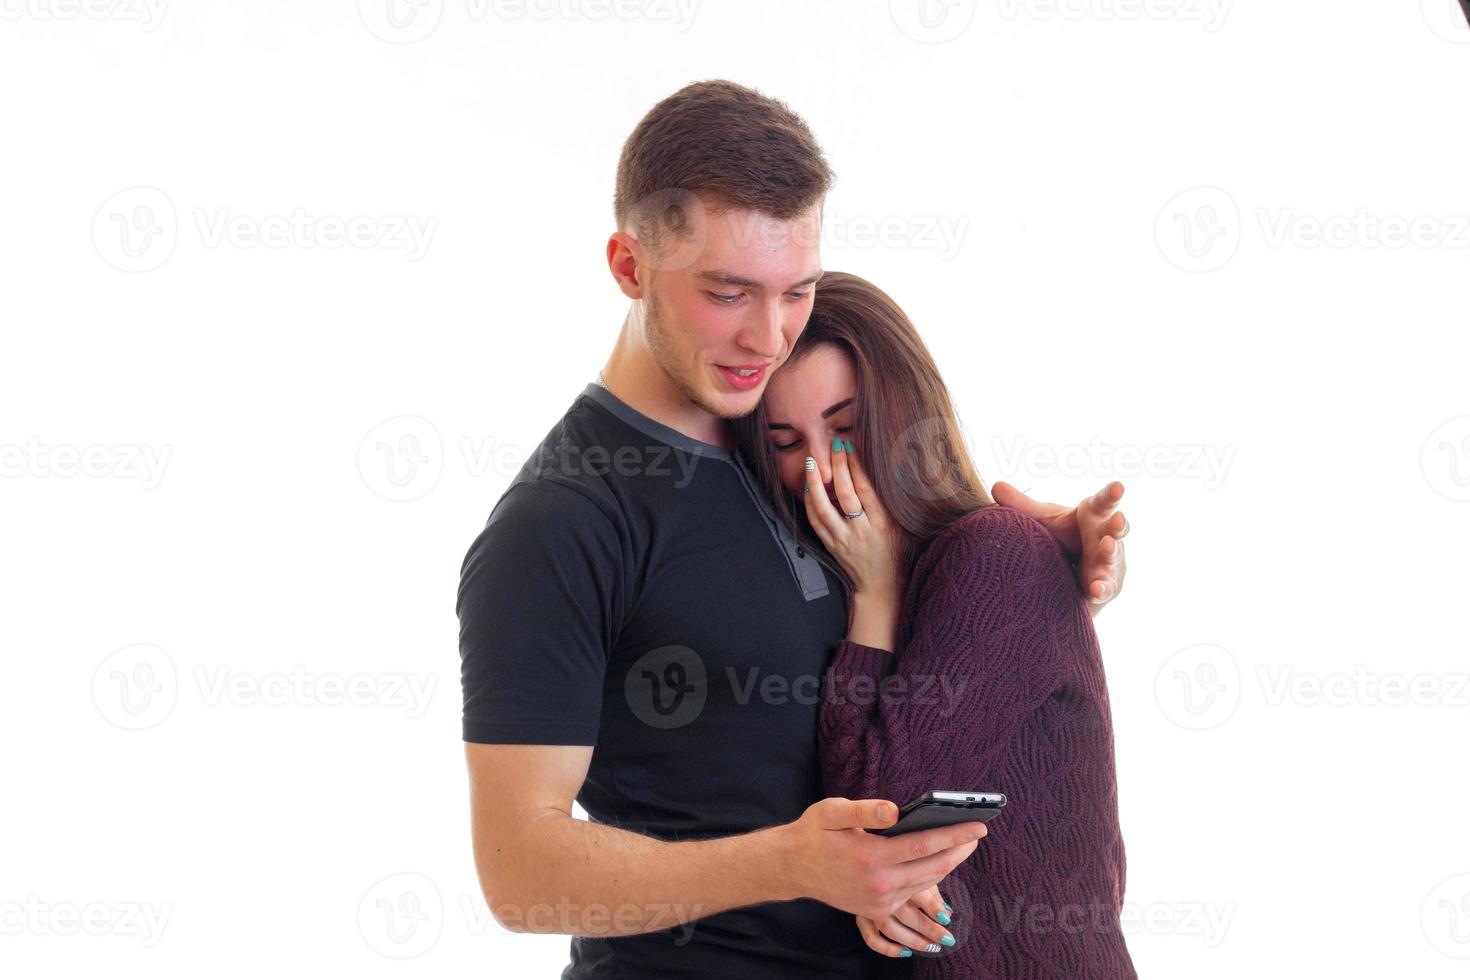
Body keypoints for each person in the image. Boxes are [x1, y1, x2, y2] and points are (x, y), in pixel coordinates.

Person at [457, 80, 1127, 979]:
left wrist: (1045, 562)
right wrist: (787, 862)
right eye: (728, 293)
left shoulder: (779, 432)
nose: (767, 337)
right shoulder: (563, 522)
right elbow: (518, 873)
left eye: (796, 292)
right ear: (628, 266)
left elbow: (928, 622)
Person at [733, 271, 1135, 977]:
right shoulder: (838, 582)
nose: (823, 469)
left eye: (847, 428)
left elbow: (872, 819)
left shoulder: (994, 553)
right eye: (787, 442)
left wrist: (876, 593)